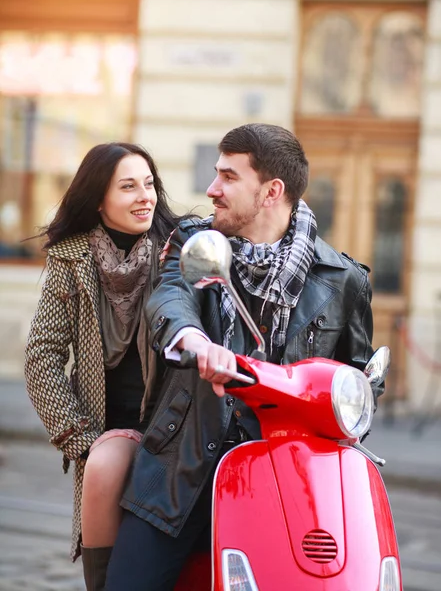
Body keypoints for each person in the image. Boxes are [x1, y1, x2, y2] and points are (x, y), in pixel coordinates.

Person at [105, 123, 383, 590]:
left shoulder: (342, 280)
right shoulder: (197, 244)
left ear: (271, 191)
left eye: (229, 177)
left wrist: (357, 398)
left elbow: (356, 388)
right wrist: (198, 343)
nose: (212, 190)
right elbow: (170, 302)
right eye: (216, 174)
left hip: (286, 485)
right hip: (182, 469)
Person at [24, 142, 183, 591]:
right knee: (110, 575)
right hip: (104, 435)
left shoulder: (178, 252)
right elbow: (42, 355)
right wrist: (84, 442)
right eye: (128, 186)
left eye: (149, 184)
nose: (145, 196)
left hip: (172, 437)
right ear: (99, 199)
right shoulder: (71, 260)